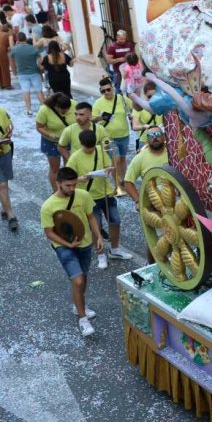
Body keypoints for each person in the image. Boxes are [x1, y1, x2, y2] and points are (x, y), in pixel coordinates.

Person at [40, 167, 104, 337]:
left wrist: (98, 237)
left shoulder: (83, 196)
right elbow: (49, 233)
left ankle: (78, 305)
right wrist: (68, 245)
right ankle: (83, 320)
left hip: (85, 242)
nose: (72, 189)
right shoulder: (48, 206)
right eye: (68, 185)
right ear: (58, 183)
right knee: (77, 281)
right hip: (63, 246)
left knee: (84, 276)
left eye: (74, 185)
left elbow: (91, 216)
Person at [67, 129, 133, 268]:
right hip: (89, 197)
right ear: (81, 144)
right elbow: (69, 178)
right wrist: (80, 178)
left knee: (115, 221)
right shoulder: (75, 157)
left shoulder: (100, 150)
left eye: (92, 147)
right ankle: (100, 254)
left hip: (106, 193)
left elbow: (109, 166)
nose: (90, 150)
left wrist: (108, 170)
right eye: (87, 148)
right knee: (95, 227)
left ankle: (114, 250)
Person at [92, 77, 132, 196]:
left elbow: (132, 110)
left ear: (113, 88)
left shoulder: (123, 99)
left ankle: (124, 181)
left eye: (108, 89)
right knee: (116, 160)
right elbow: (92, 119)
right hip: (107, 137)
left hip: (124, 135)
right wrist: (100, 117)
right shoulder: (98, 103)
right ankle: (117, 186)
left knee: (123, 160)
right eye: (103, 91)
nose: (106, 92)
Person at [36, 92, 76, 191]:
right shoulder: (44, 110)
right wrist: (50, 134)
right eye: (62, 110)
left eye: (67, 110)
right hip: (51, 142)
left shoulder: (74, 104)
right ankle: (57, 192)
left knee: (69, 167)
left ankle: (69, 189)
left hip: (69, 141)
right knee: (55, 169)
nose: (65, 112)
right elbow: (39, 127)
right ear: (56, 106)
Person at [124, 125, 169, 204]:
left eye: (157, 134)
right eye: (150, 136)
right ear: (147, 140)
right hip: (155, 202)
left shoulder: (172, 152)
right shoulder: (140, 158)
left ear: (164, 137)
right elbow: (128, 182)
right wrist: (138, 202)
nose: (154, 138)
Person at [11, 31, 45, 115]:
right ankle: (44, 108)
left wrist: (14, 71)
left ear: (18, 39)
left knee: (26, 91)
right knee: (39, 91)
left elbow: (12, 60)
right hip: (34, 72)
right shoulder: (33, 48)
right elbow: (40, 59)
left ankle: (29, 110)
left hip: (22, 73)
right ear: (25, 38)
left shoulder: (14, 49)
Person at [131, 81, 163, 152]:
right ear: (145, 95)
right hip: (145, 140)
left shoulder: (161, 105)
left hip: (160, 139)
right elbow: (135, 126)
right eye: (149, 96)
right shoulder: (139, 107)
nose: (152, 99)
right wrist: (146, 126)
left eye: (155, 96)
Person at [0, 104, 17, 231]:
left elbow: (10, 126)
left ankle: (5, 209)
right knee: (2, 185)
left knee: (4, 182)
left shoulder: (1, 111)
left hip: (4, 151)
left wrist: (8, 136)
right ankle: (11, 215)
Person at [0, 23, 11, 89]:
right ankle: (7, 84)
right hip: (2, 53)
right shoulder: (6, 35)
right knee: (5, 68)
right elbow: (9, 46)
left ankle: (1, 84)